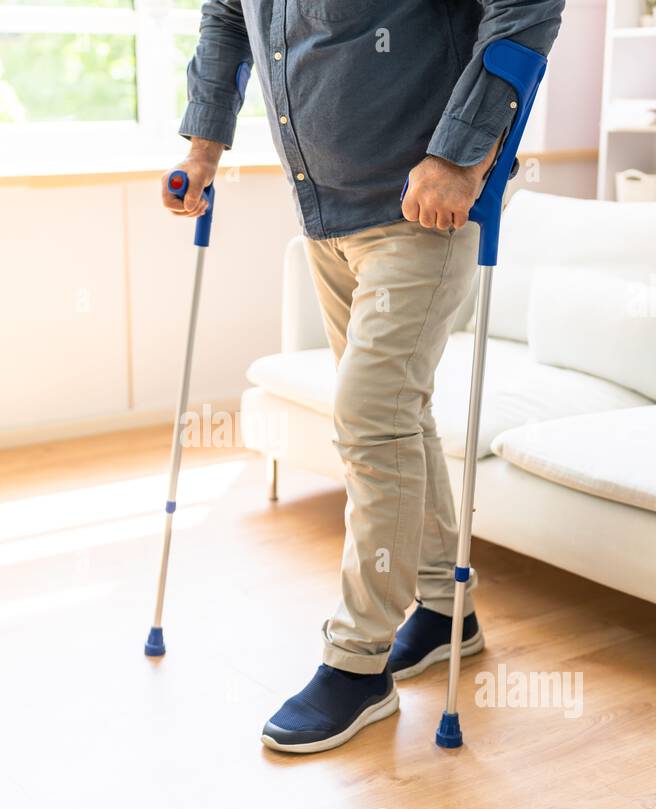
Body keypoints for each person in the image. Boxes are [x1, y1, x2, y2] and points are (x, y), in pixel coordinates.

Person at [164, 0, 564, 754]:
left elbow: (527, 10)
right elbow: (226, 20)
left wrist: (459, 156)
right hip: (325, 215)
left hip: (428, 209)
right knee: (398, 417)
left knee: (370, 419)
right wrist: (203, 150)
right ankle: (448, 613)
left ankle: (357, 664)